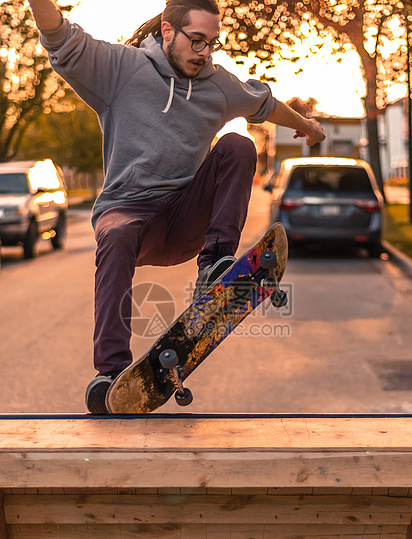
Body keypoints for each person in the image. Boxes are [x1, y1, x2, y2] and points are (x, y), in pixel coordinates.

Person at [28, 0, 325, 414]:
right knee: (115, 235)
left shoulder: (219, 84)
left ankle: (216, 264)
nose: (204, 53)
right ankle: (109, 374)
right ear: (168, 31)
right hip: (130, 214)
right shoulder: (120, 69)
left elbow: (264, 104)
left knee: (239, 145)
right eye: (197, 42)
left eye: (212, 44)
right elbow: (61, 38)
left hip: (185, 218)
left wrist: (307, 126)